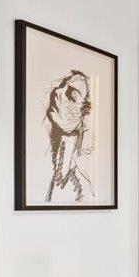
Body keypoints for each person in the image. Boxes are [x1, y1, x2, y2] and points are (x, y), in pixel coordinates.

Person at [44, 69, 96, 203]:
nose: (57, 93)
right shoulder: (51, 169)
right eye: (62, 87)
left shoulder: (81, 188)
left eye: (72, 93)